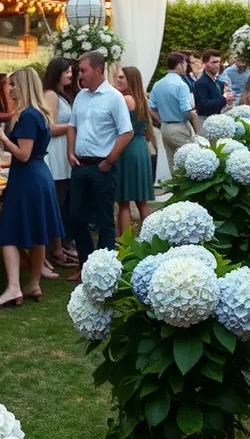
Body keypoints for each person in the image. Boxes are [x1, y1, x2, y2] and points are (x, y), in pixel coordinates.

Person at [0, 67, 63, 308]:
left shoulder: (28, 116)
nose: (10, 89)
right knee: (38, 234)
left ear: (23, 86)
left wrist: (2, 137)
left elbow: (24, 155)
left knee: (8, 232)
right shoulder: (37, 114)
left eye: (13, 84)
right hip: (38, 176)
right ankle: (33, 284)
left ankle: (13, 288)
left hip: (27, 177)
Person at [67, 51, 134, 274]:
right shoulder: (81, 96)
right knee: (75, 217)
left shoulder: (114, 97)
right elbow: (72, 126)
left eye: (83, 70)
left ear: (97, 70)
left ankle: (104, 269)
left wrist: (109, 160)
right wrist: (70, 152)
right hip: (79, 166)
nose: (80, 75)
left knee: (105, 219)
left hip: (101, 167)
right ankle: (86, 265)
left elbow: (126, 132)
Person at [42, 57, 78, 268]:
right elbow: (50, 128)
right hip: (54, 155)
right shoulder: (51, 95)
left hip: (64, 155)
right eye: (66, 72)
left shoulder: (63, 95)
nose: (70, 75)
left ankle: (58, 248)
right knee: (55, 204)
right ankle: (47, 253)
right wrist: (73, 125)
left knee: (62, 205)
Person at [115, 66, 155, 234]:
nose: (118, 80)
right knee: (142, 201)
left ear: (131, 80)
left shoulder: (125, 100)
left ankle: (123, 242)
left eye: (122, 77)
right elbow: (147, 132)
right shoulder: (142, 100)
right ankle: (148, 236)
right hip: (140, 147)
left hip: (127, 147)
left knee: (124, 201)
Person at [149, 52, 197, 171]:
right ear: (180, 65)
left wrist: (162, 121)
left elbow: (151, 107)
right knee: (192, 161)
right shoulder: (181, 84)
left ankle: (177, 189)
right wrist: (196, 128)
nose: (187, 67)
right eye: (186, 64)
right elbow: (186, 109)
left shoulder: (158, 84)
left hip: (165, 128)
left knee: (173, 166)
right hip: (179, 127)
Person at [193, 48, 235, 132]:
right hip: (205, 123)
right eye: (213, 62)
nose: (217, 65)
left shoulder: (218, 82)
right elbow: (202, 106)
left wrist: (227, 103)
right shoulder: (201, 83)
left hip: (217, 121)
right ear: (205, 64)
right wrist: (224, 99)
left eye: (218, 62)